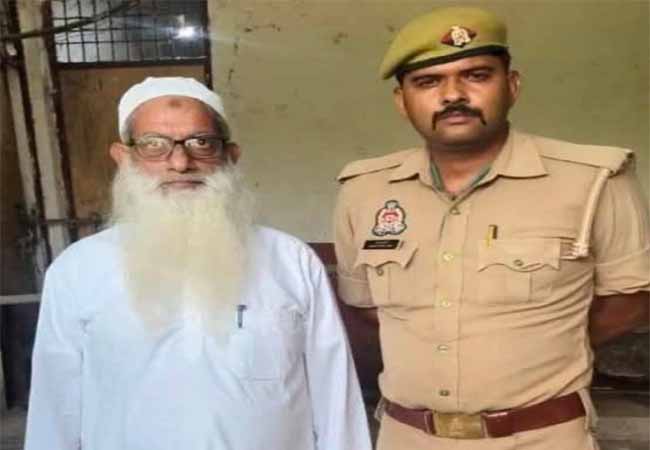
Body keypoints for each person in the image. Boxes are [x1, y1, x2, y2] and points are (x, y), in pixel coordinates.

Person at [334, 7, 649, 450]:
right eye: (428, 82)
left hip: (542, 437)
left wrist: (538, 344)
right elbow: (365, 306)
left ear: (512, 86)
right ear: (402, 102)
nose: (453, 95)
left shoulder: (594, 179)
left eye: (476, 75)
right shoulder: (363, 190)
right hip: (406, 437)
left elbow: (630, 301)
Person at [25, 77, 372, 450]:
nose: (180, 163)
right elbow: (54, 409)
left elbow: (335, 396)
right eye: (154, 145)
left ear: (231, 155)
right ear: (123, 157)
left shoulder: (291, 260)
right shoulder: (77, 269)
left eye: (201, 143)